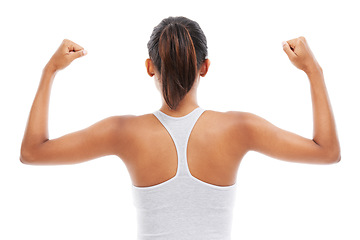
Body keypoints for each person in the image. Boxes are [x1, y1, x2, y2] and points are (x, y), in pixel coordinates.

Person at [20, 16, 341, 240]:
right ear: (204, 67)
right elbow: (326, 152)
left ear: (150, 67)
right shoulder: (239, 128)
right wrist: (313, 70)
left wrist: (50, 71)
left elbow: (33, 152)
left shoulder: (123, 133)